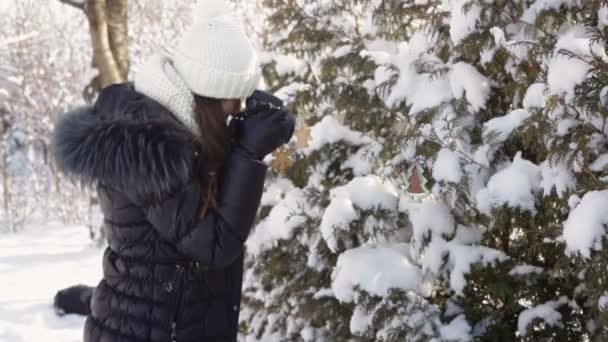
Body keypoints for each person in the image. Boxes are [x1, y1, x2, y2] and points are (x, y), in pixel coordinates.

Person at [51, 0, 295, 340]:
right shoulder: (147, 151)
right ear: (206, 95)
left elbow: (206, 207)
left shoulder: (183, 128)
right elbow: (214, 245)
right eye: (233, 100)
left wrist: (255, 128)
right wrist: (249, 152)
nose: (237, 109)